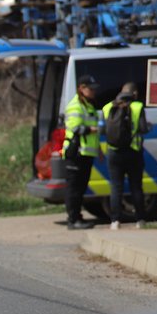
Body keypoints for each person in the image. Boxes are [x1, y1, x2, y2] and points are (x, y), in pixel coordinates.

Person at [102, 82, 151, 230]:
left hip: (113, 152)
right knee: (136, 186)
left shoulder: (107, 107)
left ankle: (115, 221)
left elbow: (104, 130)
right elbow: (143, 128)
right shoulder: (137, 106)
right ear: (134, 94)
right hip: (133, 152)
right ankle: (140, 220)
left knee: (116, 187)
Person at [62, 74, 101, 230]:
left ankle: (77, 217)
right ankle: (73, 220)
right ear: (81, 88)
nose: (93, 92)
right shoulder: (75, 106)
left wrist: (98, 149)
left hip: (86, 153)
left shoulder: (88, 106)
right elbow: (75, 127)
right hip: (76, 153)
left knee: (81, 188)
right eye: (90, 89)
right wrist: (91, 129)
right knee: (74, 189)